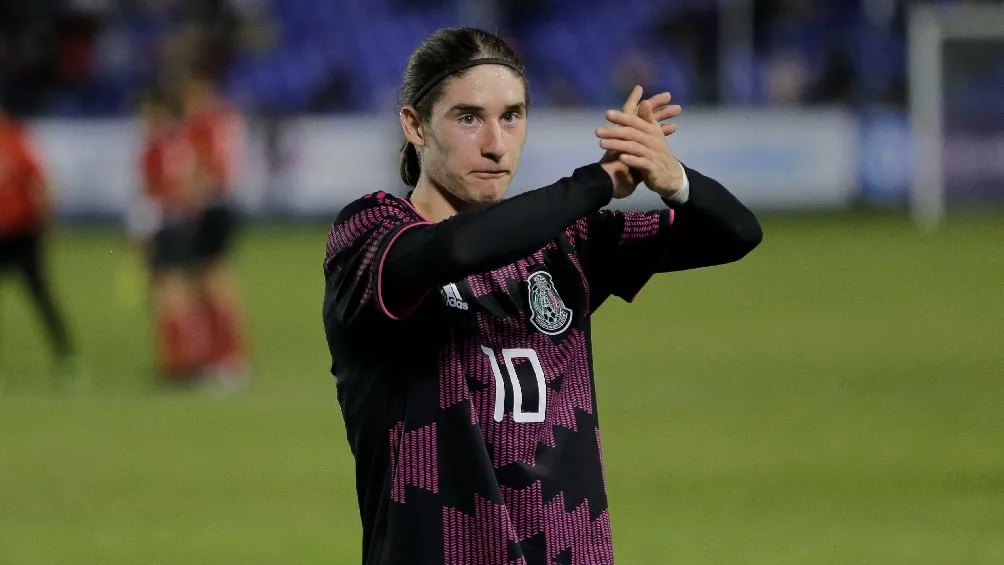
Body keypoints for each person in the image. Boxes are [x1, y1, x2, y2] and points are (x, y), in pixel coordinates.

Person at [321, 28, 762, 565]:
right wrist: (595, 183)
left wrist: (675, 180)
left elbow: (736, 234)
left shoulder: (566, 243)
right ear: (415, 125)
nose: (495, 143)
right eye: (468, 117)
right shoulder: (369, 236)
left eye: (511, 115)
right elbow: (455, 250)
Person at [0, 103, 81, 389]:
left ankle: (66, 356)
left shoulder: (15, 139)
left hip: (22, 233)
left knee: (40, 296)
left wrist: (47, 218)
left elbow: (39, 181)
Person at [131, 89, 209, 382]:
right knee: (184, 295)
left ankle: (178, 363)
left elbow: (149, 194)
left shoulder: (154, 147)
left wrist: (141, 232)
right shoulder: (184, 141)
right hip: (184, 223)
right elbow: (196, 183)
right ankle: (194, 358)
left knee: (168, 297)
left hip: (164, 225)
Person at [179, 73, 250, 386]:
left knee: (213, 282)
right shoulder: (222, 121)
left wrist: (189, 201)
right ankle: (216, 354)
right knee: (206, 282)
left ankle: (230, 358)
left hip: (211, 207)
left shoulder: (202, 126)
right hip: (222, 204)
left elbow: (205, 168)